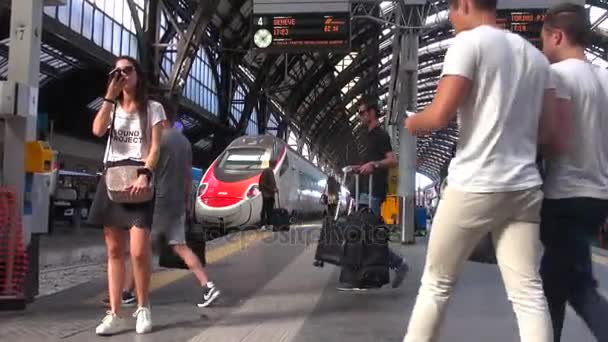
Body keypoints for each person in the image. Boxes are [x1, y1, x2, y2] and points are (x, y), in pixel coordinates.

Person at [401, 0, 563, 340]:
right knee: (529, 295)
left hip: (475, 184)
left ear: (465, 4)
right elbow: (549, 135)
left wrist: (413, 122)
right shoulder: (536, 58)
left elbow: (440, 115)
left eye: (451, 9)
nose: (449, 17)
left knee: (436, 283)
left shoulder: (468, 43)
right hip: (524, 190)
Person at [539, 4, 608, 341]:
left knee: (576, 287)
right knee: (554, 283)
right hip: (598, 194)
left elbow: (554, 139)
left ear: (558, 35)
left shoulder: (559, 75)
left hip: (566, 195)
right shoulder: (604, 77)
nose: (542, 47)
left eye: (543, 39)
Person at [88, 56, 166, 335]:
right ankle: (115, 313)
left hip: (139, 178)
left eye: (127, 70)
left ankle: (143, 307)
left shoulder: (153, 108)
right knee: (113, 250)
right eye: (117, 71)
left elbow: (155, 147)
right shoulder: (111, 106)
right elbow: (97, 130)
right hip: (112, 179)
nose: (122, 75)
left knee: (138, 251)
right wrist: (109, 96)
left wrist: (146, 172)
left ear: (138, 75)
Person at [151, 96, 221, 308]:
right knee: (180, 247)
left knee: (140, 249)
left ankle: (127, 291)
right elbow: (188, 176)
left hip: (160, 200)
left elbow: (149, 167)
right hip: (178, 201)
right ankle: (207, 285)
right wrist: (189, 203)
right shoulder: (184, 142)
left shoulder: (158, 139)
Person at [337, 99, 409, 291]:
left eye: (362, 112)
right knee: (364, 234)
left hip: (374, 191)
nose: (360, 116)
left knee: (367, 235)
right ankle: (364, 276)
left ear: (372, 113)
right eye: (359, 113)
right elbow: (369, 162)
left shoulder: (381, 135)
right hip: (364, 189)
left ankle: (394, 265)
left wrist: (374, 165)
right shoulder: (367, 135)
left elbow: (391, 160)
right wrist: (358, 167)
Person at [259, 161, 278, 230]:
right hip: (267, 194)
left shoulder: (270, 171)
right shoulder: (267, 171)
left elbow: (271, 183)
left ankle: (269, 224)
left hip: (270, 195)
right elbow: (263, 184)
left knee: (269, 210)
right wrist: (273, 189)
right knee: (265, 209)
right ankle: (263, 225)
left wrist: (275, 189)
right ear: (274, 164)